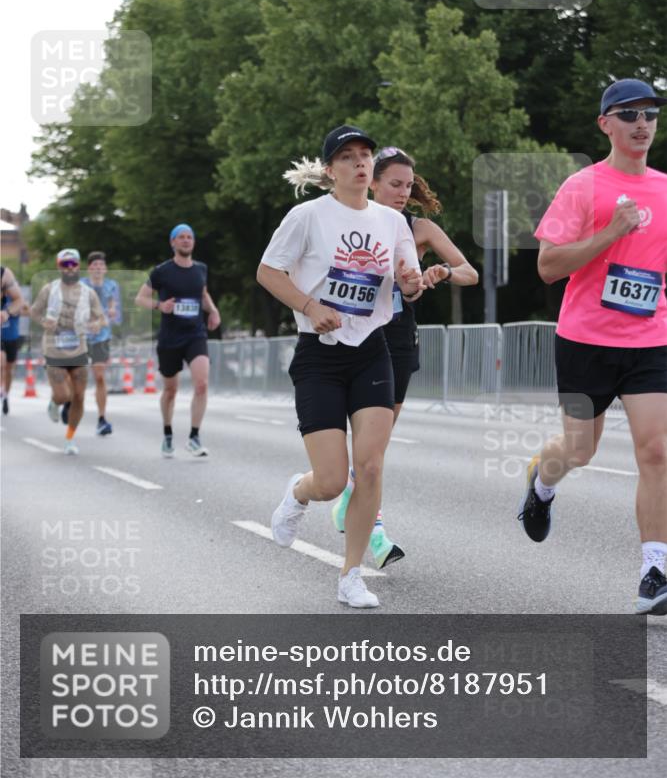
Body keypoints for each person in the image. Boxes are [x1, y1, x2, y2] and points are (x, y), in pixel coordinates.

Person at [258, 125, 449, 608]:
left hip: (372, 351)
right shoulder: (307, 217)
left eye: (365, 155)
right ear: (330, 170)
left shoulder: (391, 223)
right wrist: (308, 305)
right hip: (319, 355)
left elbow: (406, 285)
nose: (360, 163)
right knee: (329, 481)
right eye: (348, 157)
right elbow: (267, 271)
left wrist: (412, 282)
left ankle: (351, 575)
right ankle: (297, 494)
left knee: (369, 467)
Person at [518, 79, 667, 615]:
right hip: (584, 341)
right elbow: (548, 267)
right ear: (605, 123)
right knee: (580, 450)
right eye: (629, 114)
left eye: (650, 113)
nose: (642, 123)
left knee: (657, 451)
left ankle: (654, 571)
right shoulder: (583, 187)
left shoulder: (666, 189)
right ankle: (542, 483)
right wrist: (610, 232)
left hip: (650, 340)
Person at [332, 147, 479, 566]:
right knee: (363, 446)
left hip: (396, 338)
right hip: (351, 335)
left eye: (409, 185)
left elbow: (470, 271)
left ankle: (352, 503)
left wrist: (443, 272)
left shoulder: (420, 228)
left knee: (375, 447)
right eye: (394, 184)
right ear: (372, 182)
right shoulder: (346, 221)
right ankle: (371, 529)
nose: (402, 192)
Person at [135, 224, 221, 458]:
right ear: (173, 242)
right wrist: (159, 305)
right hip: (170, 338)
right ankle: (167, 433)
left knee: (201, 384)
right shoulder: (161, 271)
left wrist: (212, 311)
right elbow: (140, 298)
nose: (186, 240)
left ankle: (194, 437)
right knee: (170, 390)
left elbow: (202, 294)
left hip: (195, 334)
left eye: (189, 237)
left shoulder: (200, 269)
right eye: (181, 237)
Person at [30, 249, 105, 454]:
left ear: (78, 266)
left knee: (79, 397)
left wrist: (96, 324)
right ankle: (55, 402)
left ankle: (70, 438)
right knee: (64, 395)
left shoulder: (88, 292)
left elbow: (101, 317)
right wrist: (45, 321)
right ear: (59, 266)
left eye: (73, 263)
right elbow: (34, 311)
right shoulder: (49, 289)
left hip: (79, 349)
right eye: (65, 264)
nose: (70, 268)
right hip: (54, 349)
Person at [82, 251, 122, 435]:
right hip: (80, 336)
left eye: (101, 265)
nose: (98, 268)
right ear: (89, 268)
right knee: (77, 377)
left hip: (101, 337)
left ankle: (101, 418)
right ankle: (67, 403)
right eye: (94, 265)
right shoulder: (81, 285)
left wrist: (104, 318)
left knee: (99, 376)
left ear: (105, 269)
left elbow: (114, 310)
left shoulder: (111, 286)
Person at [1, 265, 25, 415]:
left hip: (11, 337)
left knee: (9, 369)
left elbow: (21, 302)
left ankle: (6, 396)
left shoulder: (5, 274)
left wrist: (7, 312)